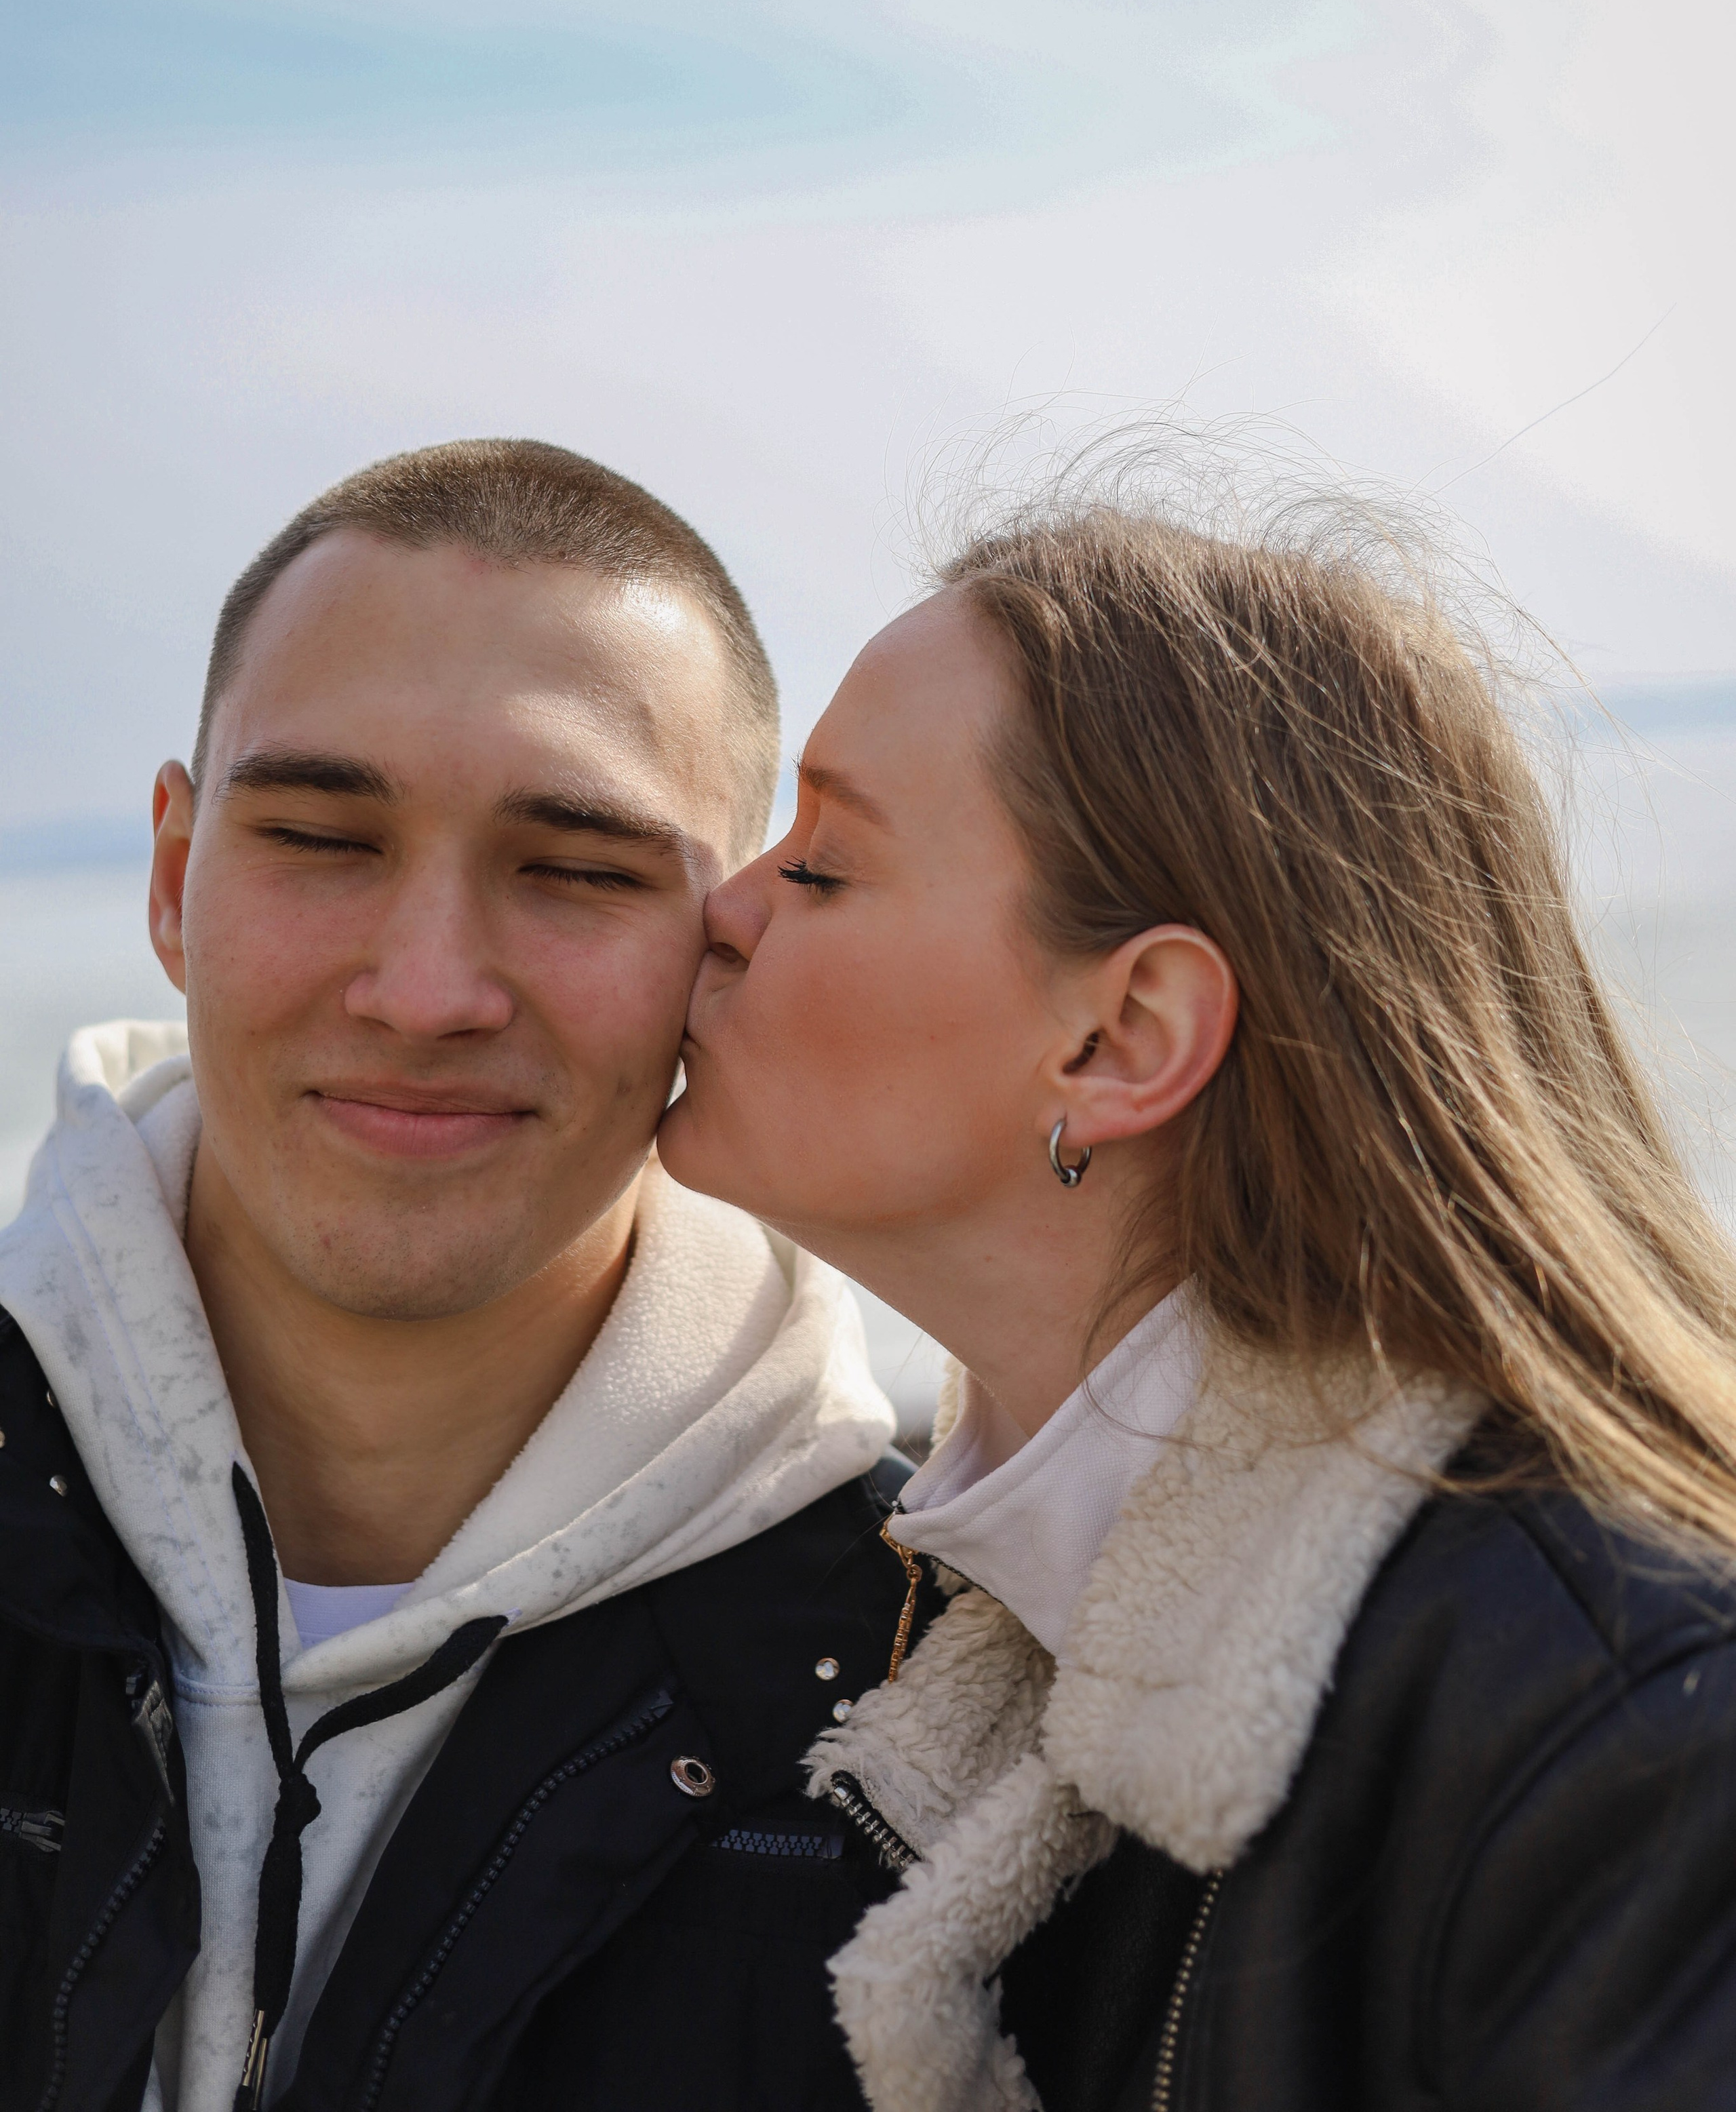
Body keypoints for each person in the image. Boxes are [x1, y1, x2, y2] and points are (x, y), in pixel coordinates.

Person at [664, 476, 1736, 2112]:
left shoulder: (1629, 1724)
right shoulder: (985, 1654)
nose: (719, 910)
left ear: (1123, 1039)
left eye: (819, 865)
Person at [0, 438, 920, 2112]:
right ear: (173, 881)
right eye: (321, 837)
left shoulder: (930, 1710)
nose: (427, 993)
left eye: (576, 870)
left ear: (721, 949)